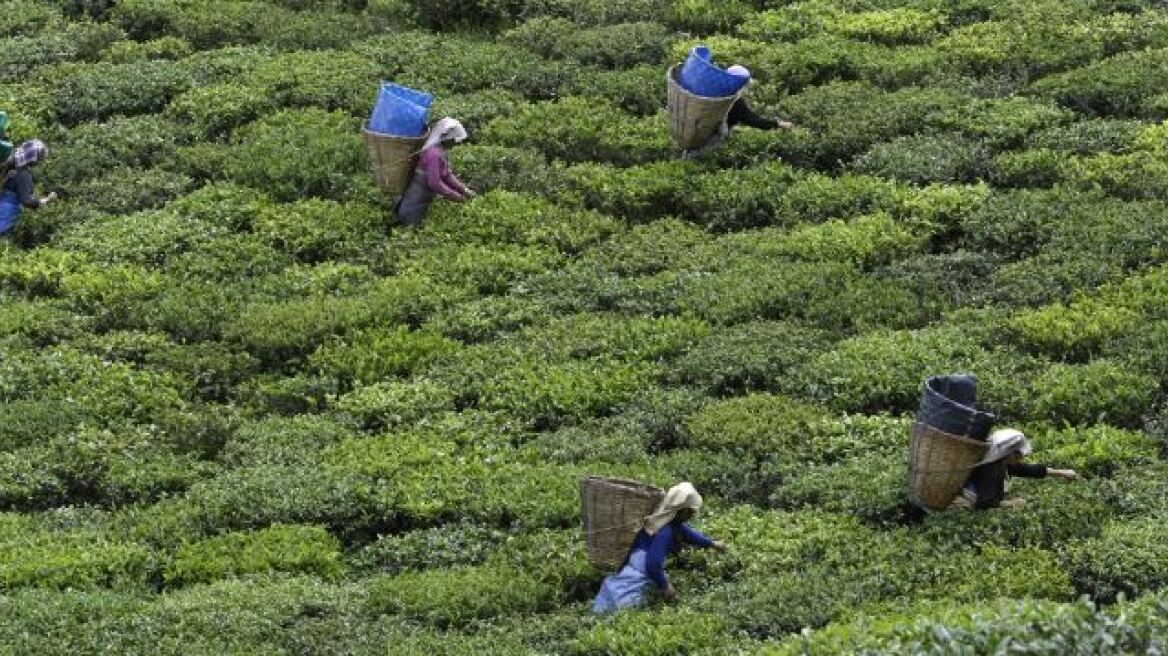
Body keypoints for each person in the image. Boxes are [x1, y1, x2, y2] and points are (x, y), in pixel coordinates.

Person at [592, 482, 727, 614]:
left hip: (635, 562)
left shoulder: (665, 517)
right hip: (641, 568)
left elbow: (689, 534)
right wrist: (665, 586)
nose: (693, 514)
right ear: (685, 510)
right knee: (625, 606)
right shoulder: (665, 531)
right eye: (692, 511)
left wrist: (712, 543)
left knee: (616, 594)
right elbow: (653, 564)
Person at [951, 428, 1079, 510]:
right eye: (1018, 455)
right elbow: (985, 503)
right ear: (1010, 453)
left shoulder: (1000, 461)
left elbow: (1027, 470)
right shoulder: (991, 468)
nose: (1020, 459)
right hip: (970, 497)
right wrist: (1012, 503)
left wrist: (1062, 473)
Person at [682, 65, 794, 159]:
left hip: (696, 132)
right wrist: (778, 124)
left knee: (689, 157)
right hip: (712, 141)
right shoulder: (735, 102)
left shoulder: (714, 92)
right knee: (700, 160)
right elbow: (755, 121)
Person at [395, 117, 476, 228]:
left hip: (421, 204)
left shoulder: (439, 151)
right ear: (446, 138)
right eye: (453, 139)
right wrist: (456, 197)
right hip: (413, 208)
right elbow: (434, 183)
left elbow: (447, 175)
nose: (455, 143)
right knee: (410, 232)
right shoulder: (434, 154)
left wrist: (464, 190)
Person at [1, 140, 55, 236]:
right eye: (40, 157)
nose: (41, 160)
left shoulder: (13, 167)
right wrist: (46, 200)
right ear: (34, 158)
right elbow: (25, 200)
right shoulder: (23, 175)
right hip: (7, 215)